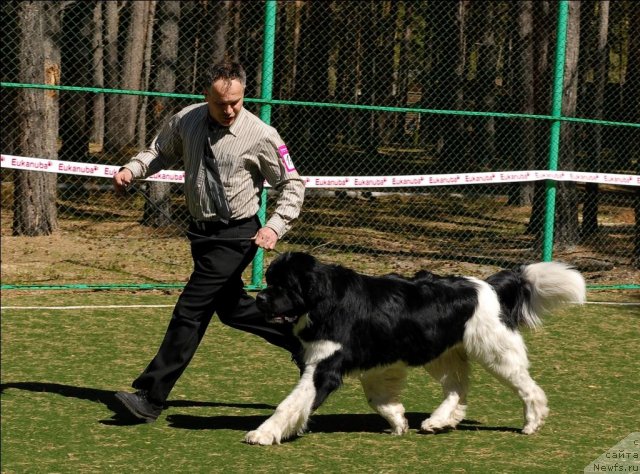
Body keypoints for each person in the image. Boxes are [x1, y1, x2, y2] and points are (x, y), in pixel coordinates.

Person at [112, 61, 305, 422]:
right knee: (231, 309)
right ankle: (300, 337)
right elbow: (158, 150)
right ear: (206, 96)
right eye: (221, 103)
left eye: (236, 101)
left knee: (191, 309)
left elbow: (292, 184)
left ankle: (151, 397)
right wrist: (131, 170)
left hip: (238, 235)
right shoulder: (187, 119)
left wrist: (275, 226)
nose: (230, 109)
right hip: (201, 233)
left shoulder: (261, 134)